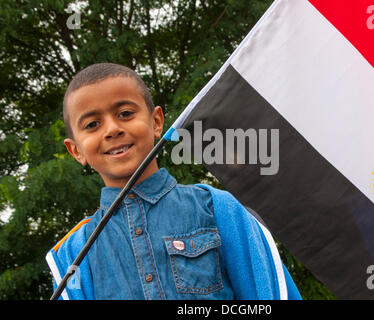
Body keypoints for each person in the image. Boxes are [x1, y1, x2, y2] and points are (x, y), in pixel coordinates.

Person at [45, 62, 301, 300]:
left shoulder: (217, 208)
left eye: (125, 113)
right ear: (76, 150)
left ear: (156, 122)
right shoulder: (73, 253)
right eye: (92, 124)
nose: (112, 129)